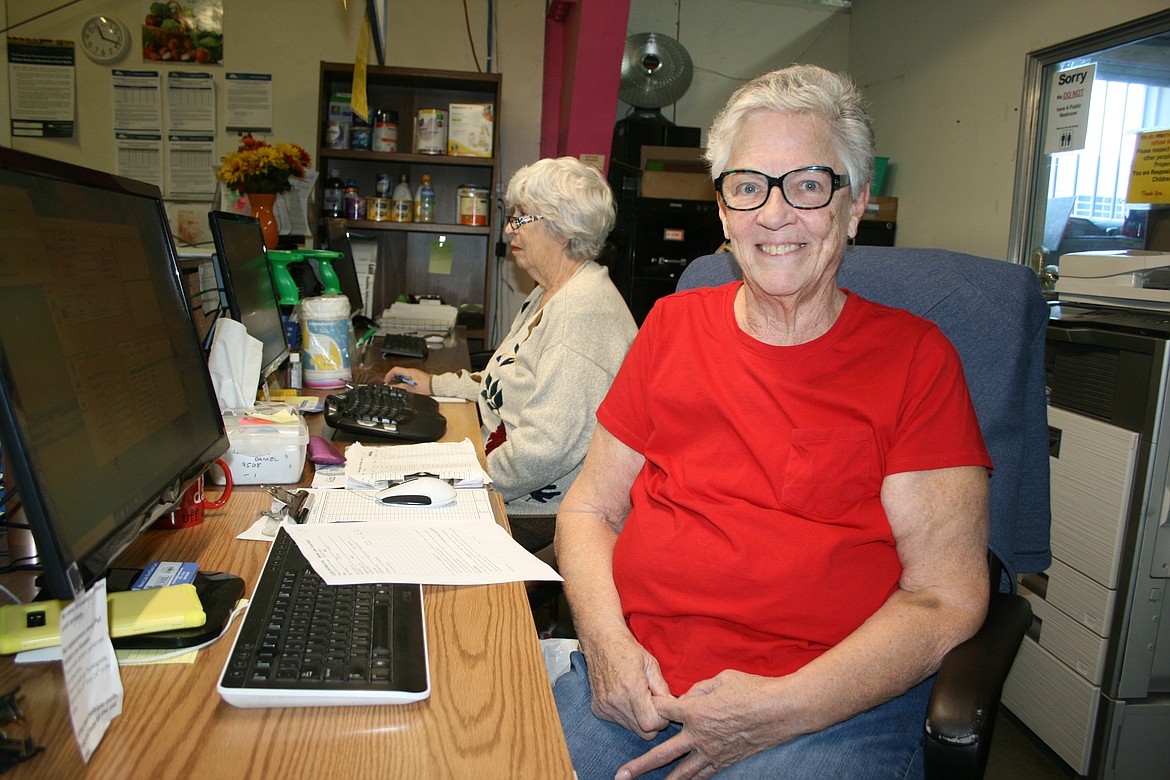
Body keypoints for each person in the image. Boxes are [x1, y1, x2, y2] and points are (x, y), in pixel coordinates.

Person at [552, 65, 992, 779]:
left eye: (809, 185)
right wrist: (605, 643)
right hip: (638, 685)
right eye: (749, 186)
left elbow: (945, 596)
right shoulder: (670, 327)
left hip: (820, 712)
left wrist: (781, 709)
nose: (775, 214)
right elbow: (590, 508)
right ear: (723, 213)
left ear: (853, 208)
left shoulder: (916, 360)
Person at [385, 156, 637, 552]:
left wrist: (460, 479)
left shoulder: (581, 314)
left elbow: (546, 450)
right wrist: (436, 384)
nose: (508, 228)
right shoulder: (549, 293)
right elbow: (509, 378)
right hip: (510, 481)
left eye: (520, 217)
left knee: (396, 528)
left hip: (538, 512)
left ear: (561, 227)